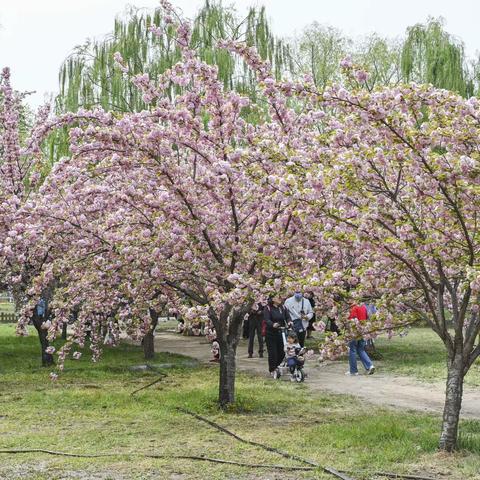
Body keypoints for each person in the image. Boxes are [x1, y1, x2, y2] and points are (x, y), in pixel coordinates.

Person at [346, 301, 375, 376]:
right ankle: (370, 366)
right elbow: (367, 318)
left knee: (352, 350)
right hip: (363, 331)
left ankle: (353, 371)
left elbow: (353, 320)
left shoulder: (354, 307)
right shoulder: (363, 307)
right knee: (361, 349)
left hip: (354, 331)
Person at [264, 296, 290, 378]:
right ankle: (272, 369)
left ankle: (277, 367)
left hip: (281, 332)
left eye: (280, 297)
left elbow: (288, 317)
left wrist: (290, 322)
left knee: (282, 352)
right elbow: (267, 320)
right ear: (273, 299)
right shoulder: (268, 308)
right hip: (271, 333)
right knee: (273, 353)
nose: (280, 298)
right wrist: (272, 324)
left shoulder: (283, 307)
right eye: (278, 297)